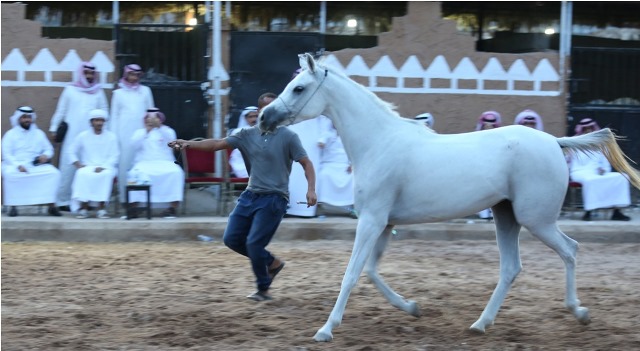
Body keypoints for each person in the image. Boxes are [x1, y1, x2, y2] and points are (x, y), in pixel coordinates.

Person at [167, 96, 317, 302]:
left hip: (274, 199)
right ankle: (272, 263)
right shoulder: (246, 134)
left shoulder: (288, 136)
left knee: (254, 243)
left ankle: (263, 289)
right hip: (250, 195)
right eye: (263, 108)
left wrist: (311, 190)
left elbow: (307, 163)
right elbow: (216, 144)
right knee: (231, 239)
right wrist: (187, 144)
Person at [49, 62, 109, 211]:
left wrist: (106, 132)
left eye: (91, 74)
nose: (89, 76)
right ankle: (63, 201)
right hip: (72, 134)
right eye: (86, 73)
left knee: (89, 166)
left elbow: (105, 111)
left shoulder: (98, 92)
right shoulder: (70, 90)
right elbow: (61, 110)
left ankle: (89, 202)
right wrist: (54, 128)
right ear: (81, 73)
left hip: (92, 137)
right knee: (68, 166)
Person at [2, 106, 62, 217]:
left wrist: (45, 155)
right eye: (24, 117)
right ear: (18, 119)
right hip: (15, 165)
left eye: (29, 117)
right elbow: (6, 154)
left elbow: (49, 149)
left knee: (54, 173)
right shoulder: (10, 134)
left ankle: (51, 206)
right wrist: (18, 165)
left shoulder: (39, 133)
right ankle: (13, 206)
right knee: (11, 174)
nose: (27, 120)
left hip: (35, 165)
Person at [568, 118, 632, 221]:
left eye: (590, 128)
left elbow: (605, 163)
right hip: (579, 172)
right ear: (582, 130)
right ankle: (589, 211)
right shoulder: (574, 144)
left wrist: (603, 169)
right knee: (591, 180)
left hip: (597, 172)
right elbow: (570, 163)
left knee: (623, 177)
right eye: (586, 129)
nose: (588, 131)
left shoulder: (601, 144)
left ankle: (616, 211)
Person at [110, 63, 155, 204]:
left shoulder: (145, 91)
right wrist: (114, 138)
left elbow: (152, 112)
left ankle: (141, 201)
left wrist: (151, 132)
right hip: (123, 134)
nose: (134, 77)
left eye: (136, 75)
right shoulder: (118, 93)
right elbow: (114, 116)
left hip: (143, 133)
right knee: (125, 166)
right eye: (131, 74)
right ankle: (126, 200)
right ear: (126, 75)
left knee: (141, 165)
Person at [128, 108, 184, 219]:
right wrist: (146, 131)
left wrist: (159, 128)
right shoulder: (139, 132)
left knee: (176, 172)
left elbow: (173, 143)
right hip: (144, 163)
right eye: (149, 118)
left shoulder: (168, 131)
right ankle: (134, 208)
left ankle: (172, 209)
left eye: (155, 118)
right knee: (134, 174)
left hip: (165, 162)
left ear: (160, 119)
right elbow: (134, 146)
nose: (151, 120)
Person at [68, 109, 119, 219]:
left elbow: (115, 155)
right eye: (96, 120)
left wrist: (103, 167)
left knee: (105, 175)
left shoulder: (111, 137)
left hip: (106, 166)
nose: (99, 123)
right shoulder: (82, 136)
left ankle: (101, 209)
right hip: (87, 166)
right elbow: (71, 150)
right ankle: (84, 209)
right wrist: (77, 164)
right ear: (91, 122)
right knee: (82, 174)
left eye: (101, 120)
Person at [316, 115, 355, 217]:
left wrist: (351, 164)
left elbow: (353, 152)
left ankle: (352, 208)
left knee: (352, 178)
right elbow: (321, 143)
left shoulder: (348, 135)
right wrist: (323, 141)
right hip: (329, 164)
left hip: (344, 166)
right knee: (324, 175)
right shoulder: (328, 134)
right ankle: (321, 207)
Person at [475, 111, 502, 219]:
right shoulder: (477, 138)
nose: (488, 127)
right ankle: (483, 212)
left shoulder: (499, 139)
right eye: (486, 125)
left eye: (491, 125)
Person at [229, 106, 259, 178]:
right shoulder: (238, 131)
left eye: (256, 116)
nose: (254, 119)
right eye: (251, 117)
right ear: (245, 118)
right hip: (241, 162)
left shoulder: (263, 130)